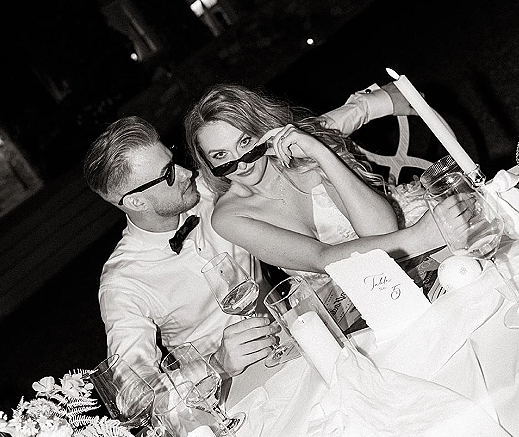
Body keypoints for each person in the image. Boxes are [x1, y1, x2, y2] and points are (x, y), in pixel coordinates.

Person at [83, 81, 424, 379]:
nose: (187, 173)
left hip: (302, 333)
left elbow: (268, 142)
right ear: (137, 202)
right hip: (235, 384)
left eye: (174, 160)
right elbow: (133, 390)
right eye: (168, 173)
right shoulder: (124, 283)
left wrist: (369, 105)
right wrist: (215, 365)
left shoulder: (205, 187)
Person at [184, 83, 444, 280]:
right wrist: (418, 238)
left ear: (262, 132)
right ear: (208, 163)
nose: (240, 163)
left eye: (245, 142)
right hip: (351, 296)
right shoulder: (229, 217)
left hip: (410, 239)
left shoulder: (304, 150)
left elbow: (383, 233)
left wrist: (320, 153)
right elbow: (322, 259)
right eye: (220, 155)